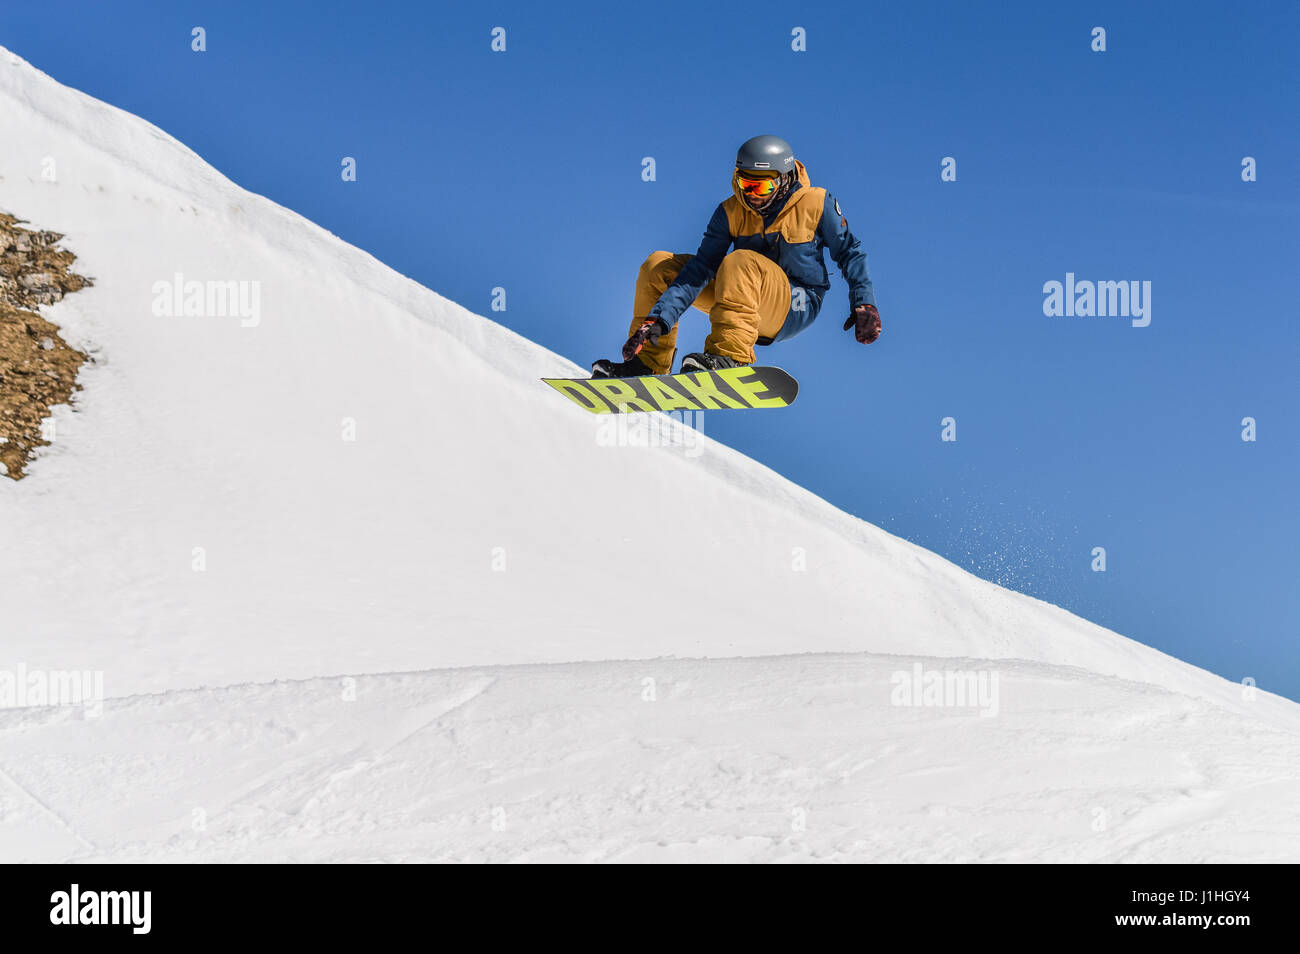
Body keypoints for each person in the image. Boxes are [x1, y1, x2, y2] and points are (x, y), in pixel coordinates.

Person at [592, 135, 882, 378]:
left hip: (795, 303)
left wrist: (864, 302)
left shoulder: (816, 203)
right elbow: (700, 270)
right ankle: (648, 364)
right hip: (740, 292)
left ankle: (731, 357)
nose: (753, 195)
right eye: (746, 184)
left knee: (740, 260)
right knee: (659, 265)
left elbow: (850, 252)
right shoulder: (730, 212)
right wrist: (659, 317)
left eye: (762, 186)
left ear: (784, 179)